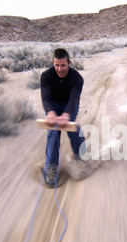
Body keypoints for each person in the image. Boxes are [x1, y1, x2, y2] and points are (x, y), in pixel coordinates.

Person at [40, 48, 86, 187]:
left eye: (63, 65)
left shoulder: (77, 78)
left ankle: (82, 157)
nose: (60, 69)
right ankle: (51, 167)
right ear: (53, 63)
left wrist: (66, 115)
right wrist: (51, 113)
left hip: (69, 105)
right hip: (53, 105)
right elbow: (46, 98)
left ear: (69, 63)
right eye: (57, 65)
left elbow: (74, 99)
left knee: (70, 126)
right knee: (53, 131)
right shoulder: (46, 76)